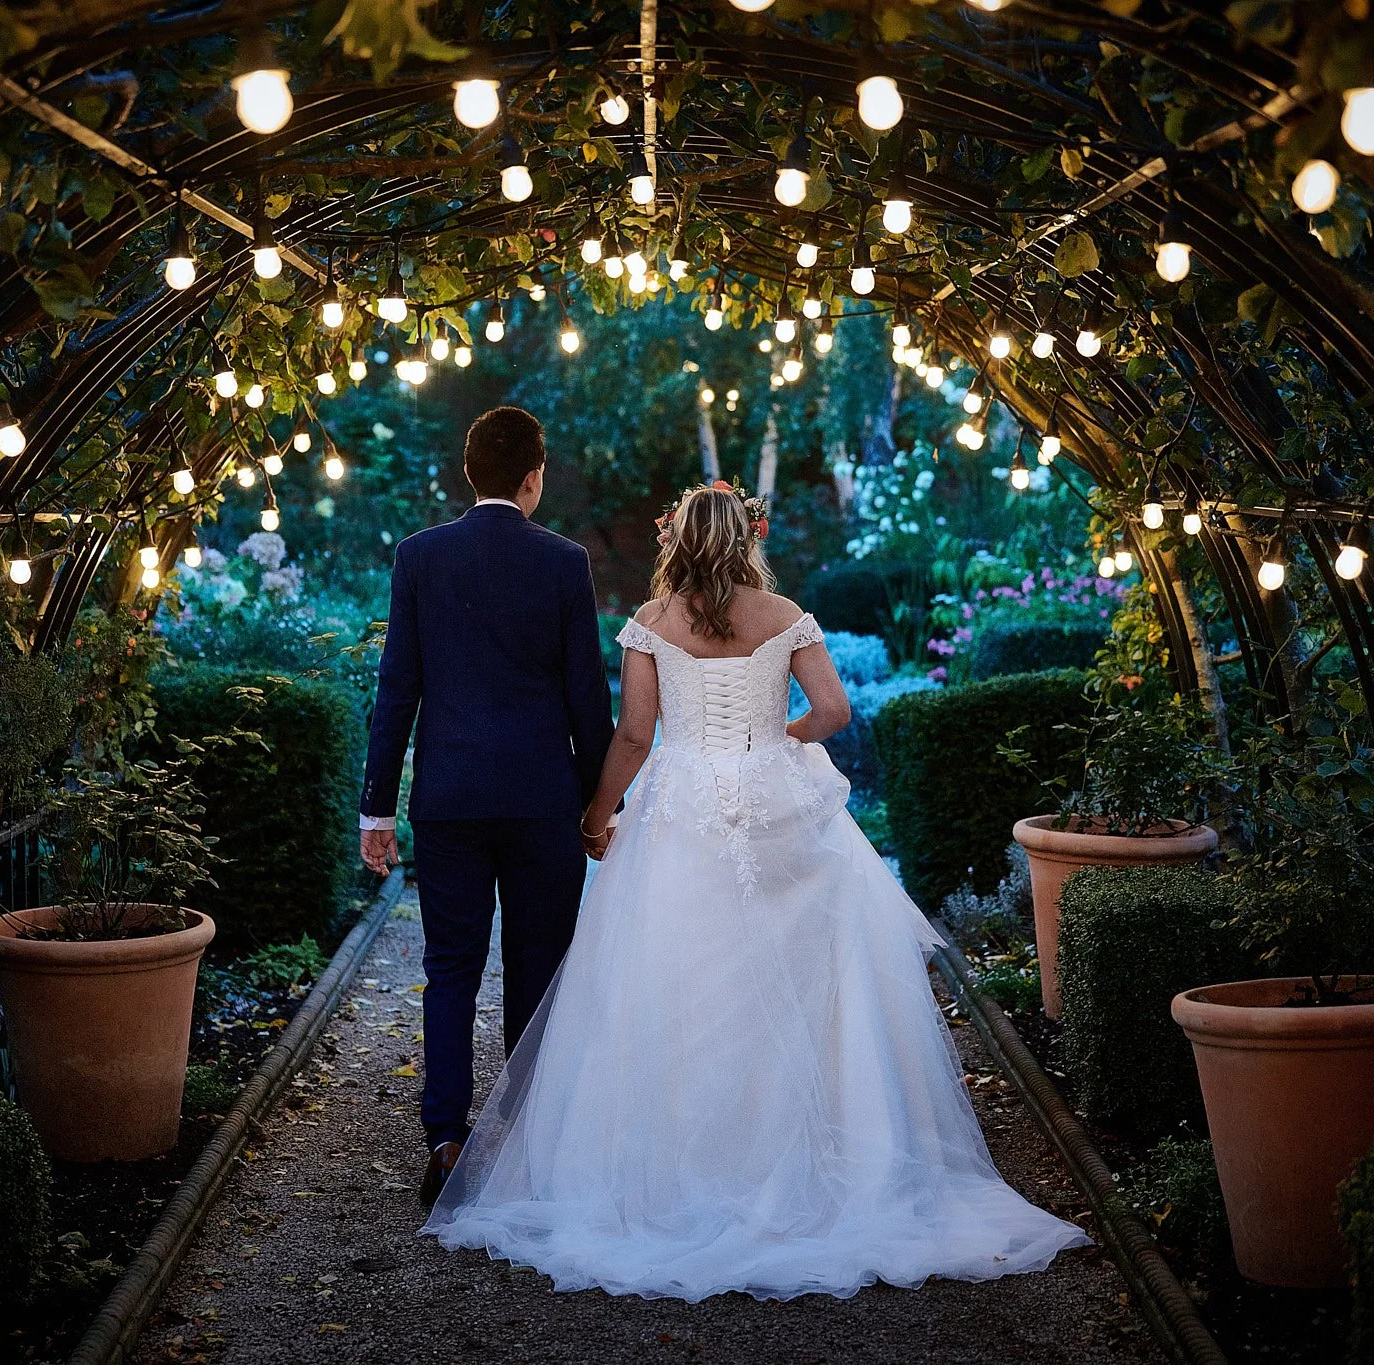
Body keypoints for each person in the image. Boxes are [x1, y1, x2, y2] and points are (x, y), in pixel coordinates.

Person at [421, 483, 1088, 1301]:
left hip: (684, 806)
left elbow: (634, 734)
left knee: (680, 977)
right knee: (801, 977)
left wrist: (596, 814)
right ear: (746, 536)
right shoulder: (783, 614)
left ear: (674, 540)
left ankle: (682, 1166)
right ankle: (804, 1154)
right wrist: (780, 740)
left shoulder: (652, 622)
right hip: (775, 801)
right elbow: (836, 710)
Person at [358, 406, 615, 1207]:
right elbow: (586, 697)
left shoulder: (420, 557)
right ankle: (529, 1140)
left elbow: (397, 687)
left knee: (450, 969)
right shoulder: (565, 562)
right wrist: (599, 804)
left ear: (469, 473)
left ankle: (445, 1141)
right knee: (538, 971)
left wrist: (376, 809)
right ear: (534, 475)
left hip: (451, 800)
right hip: (543, 801)